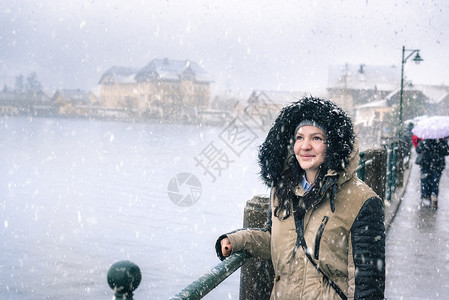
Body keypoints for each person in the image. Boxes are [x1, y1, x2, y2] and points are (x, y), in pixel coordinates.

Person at [215, 97, 385, 299]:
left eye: (316, 138)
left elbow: (367, 285)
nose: (305, 146)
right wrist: (236, 240)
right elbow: (278, 241)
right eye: (299, 137)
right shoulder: (282, 190)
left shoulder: (361, 201)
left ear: (334, 145)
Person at [415, 138, 449, 209]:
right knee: (434, 183)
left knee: (425, 182)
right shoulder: (441, 142)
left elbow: (418, 149)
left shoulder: (425, 141)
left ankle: (426, 198)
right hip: (437, 165)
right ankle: (433, 199)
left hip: (426, 165)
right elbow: (446, 151)